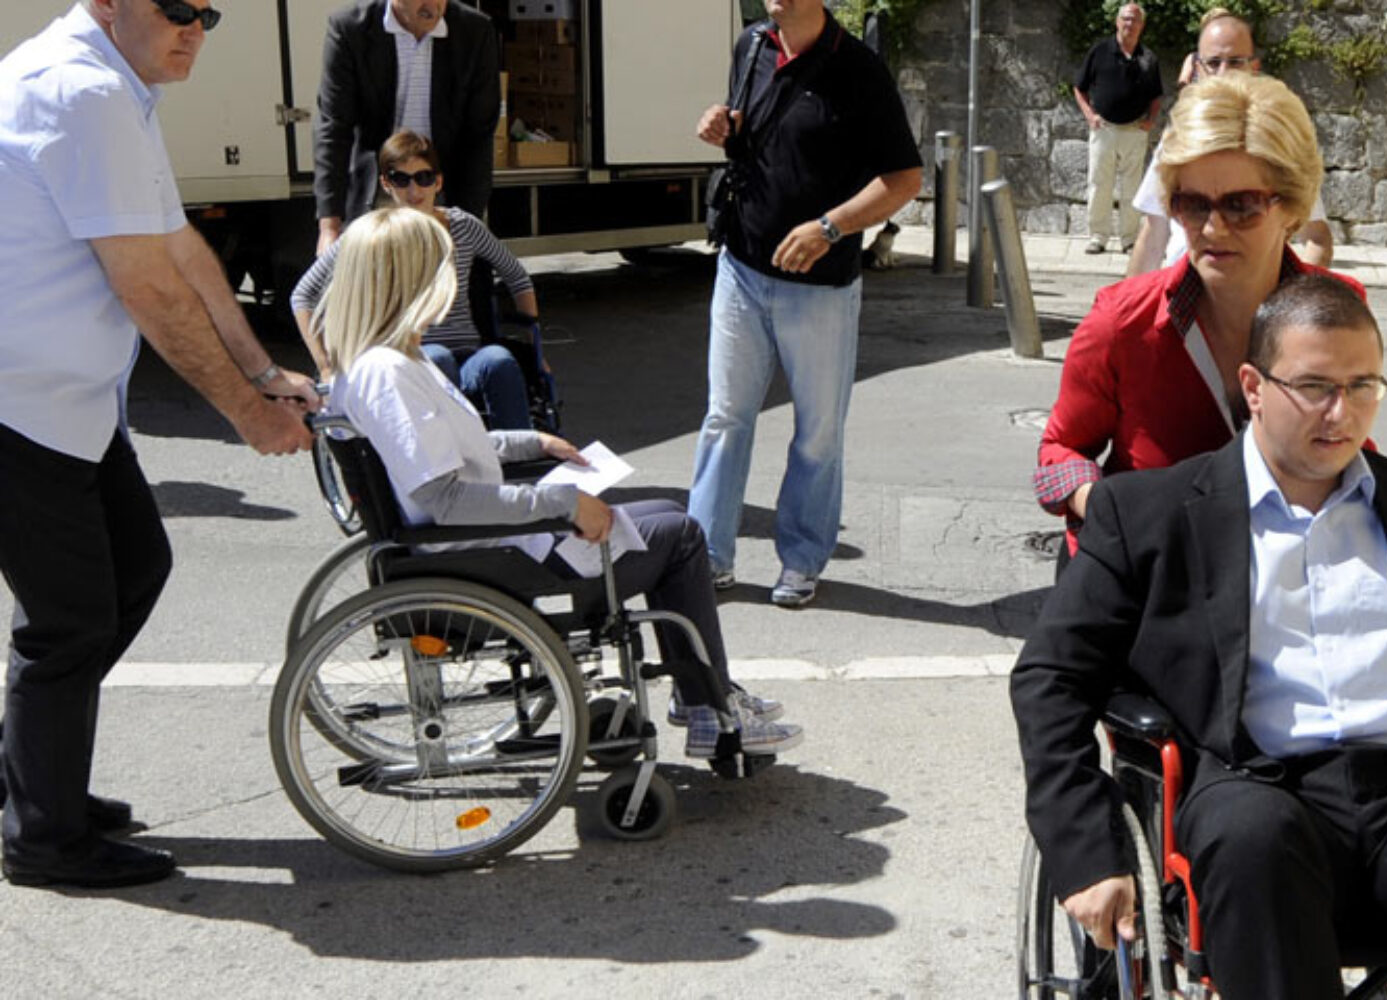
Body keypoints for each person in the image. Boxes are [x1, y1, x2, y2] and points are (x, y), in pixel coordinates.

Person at [1013, 274, 1387, 999]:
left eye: (1362, 386)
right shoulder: (1149, 515)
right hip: (1258, 795)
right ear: (1254, 387)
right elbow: (1051, 679)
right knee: (1249, 833)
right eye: (1315, 386)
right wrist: (1085, 849)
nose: (1341, 412)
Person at [0, 0, 318, 889]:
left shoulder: (116, 87)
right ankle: (43, 839)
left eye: (208, 12)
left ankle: (31, 777)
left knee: (135, 568)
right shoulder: (82, 90)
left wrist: (264, 373)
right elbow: (146, 286)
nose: (195, 29)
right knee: (69, 622)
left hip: (69, 403)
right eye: (175, 8)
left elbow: (178, 249)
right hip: (18, 403)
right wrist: (248, 415)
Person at [317, 208, 802, 759]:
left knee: (671, 517)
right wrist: (563, 502)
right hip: (484, 556)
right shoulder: (391, 373)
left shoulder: (383, 363)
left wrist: (532, 442)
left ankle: (705, 699)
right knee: (681, 537)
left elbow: (444, 451)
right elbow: (444, 497)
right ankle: (709, 708)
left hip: (482, 544)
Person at [1034, 73, 1361, 564]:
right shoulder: (1122, 323)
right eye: (1192, 205)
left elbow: (1351, 448)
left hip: (1288, 578)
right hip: (1148, 582)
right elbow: (1059, 454)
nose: (1213, 228)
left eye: (1241, 206)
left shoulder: (1340, 314)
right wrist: (1115, 514)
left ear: (1291, 208)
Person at [689, 0, 922, 608]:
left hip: (820, 286)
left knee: (816, 432)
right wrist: (721, 123)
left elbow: (903, 179)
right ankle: (706, 556)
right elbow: (753, 132)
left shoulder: (859, 69)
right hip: (741, 265)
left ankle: (801, 559)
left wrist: (830, 227)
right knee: (724, 418)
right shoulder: (752, 45)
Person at [295, 129, 545, 431]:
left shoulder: (463, 226)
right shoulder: (373, 234)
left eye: (424, 177)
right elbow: (302, 295)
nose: (414, 190)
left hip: (467, 354)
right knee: (437, 358)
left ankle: (521, 447)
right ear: (386, 184)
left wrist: (535, 348)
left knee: (499, 360)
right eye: (401, 179)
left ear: (438, 182)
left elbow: (517, 277)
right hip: (406, 359)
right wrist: (325, 366)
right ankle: (453, 452)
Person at [1125, 9, 1334, 277]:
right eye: (1214, 63)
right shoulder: (1178, 139)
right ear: (1199, 69)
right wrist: (1130, 301)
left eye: (1235, 62)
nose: (1223, 73)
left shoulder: (1278, 140)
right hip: (1182, 293)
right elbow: (1153, 237)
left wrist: (1292, 299)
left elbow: (1317, 239)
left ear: (1253, 68)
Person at [312, 0, 499, 254]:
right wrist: (329, 227)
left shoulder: (475, 31)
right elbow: (333, 129)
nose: (433, 6)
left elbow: (479, 135)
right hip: (380, 190)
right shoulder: (350, 29)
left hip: (441, 187)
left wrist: (469, 221)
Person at [1072, 3, 1163, 255]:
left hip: (1135, 130)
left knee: (1132, 187)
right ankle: (1098, 237)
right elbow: (1079, 87)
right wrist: (1090, 116)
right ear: (1117, 21)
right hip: (1104, 129)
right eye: (1126, 19)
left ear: (1142, 25)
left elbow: (1156, 96)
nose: (1130, 24)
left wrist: (1150, 120)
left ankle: (1129, 240)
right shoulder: (1100, 51)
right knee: (1099, 184)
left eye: (1135, 20)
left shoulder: (1148, 58)